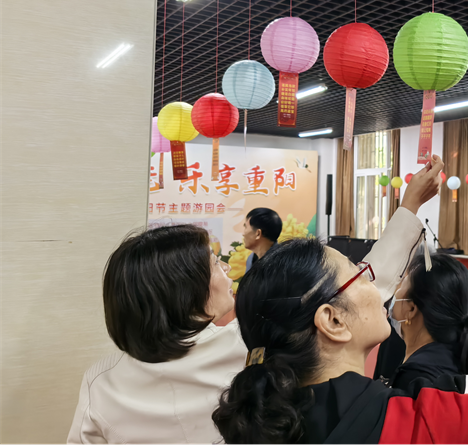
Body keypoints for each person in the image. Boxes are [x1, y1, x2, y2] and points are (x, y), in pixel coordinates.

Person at [213, 151, 468, 445]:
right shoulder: (414, 424)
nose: (377, 284)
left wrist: (408, 206)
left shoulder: (265, 417)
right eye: (357, 273)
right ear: (332, 321)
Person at [67, 158, 444, 444]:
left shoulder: (101, 383)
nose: (224, 269)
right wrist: (409, 206)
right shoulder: (249, 347)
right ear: (185, 294)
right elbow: (360, 286)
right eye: (213, 264)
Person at [386, 252, 468, 390]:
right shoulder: (464, 351)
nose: (394, 292)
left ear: (411, 309)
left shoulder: (415, 379)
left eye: (401, 285)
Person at [243, 207, 282, 273]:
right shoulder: (251, 259)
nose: (243, 234)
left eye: (246, 227)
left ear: (258, 233)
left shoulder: (282, 263)